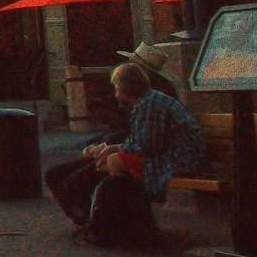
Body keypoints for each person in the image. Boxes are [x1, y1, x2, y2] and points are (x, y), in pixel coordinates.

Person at [52, 59, 207, 247]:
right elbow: (143, 142)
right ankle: (125, 221)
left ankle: (123, 224)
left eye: (116, 86)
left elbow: (149, 145)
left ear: (123, 88)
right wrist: (111, 149)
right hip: (174, 156)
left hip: (178, 160)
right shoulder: (148, 100)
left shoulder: (149, 104)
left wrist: (112, 149)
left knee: (113, 163)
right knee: (111, 162)